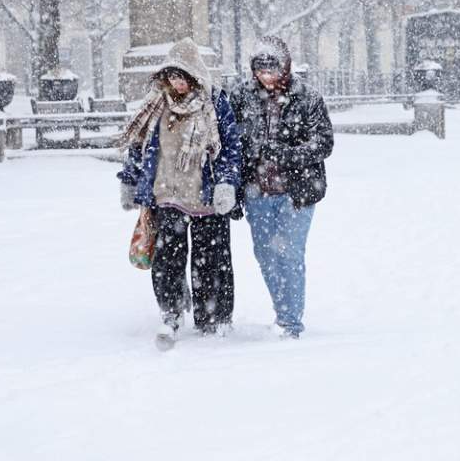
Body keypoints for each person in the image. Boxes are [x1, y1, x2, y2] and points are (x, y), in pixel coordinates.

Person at [117, 38, 241, 347]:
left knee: (211, 259)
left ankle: (213, 317)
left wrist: (226, 182)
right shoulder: (156, 105)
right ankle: (171, 312)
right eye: (172, 76)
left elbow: (229, 147)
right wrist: (130, 180)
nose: (177, 83)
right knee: (167, 260)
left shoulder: (214, 103)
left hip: (205, 196)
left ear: (195, 76)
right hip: (167, 194)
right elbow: (139, 146)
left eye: (182, 76)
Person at [230, 37, 333, 338]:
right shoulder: (241, 96)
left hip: (296, 191)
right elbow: (231, 144)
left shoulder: (308, 98)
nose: (266, 76)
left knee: (289, 253)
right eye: (259, 70)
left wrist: (285, 155)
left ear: (284, 65)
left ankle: (290, 321)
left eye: (271, 69)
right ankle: (282, 307)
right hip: (257, 191)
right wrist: (235, 189)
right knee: (265, 253)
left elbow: (323, 143)